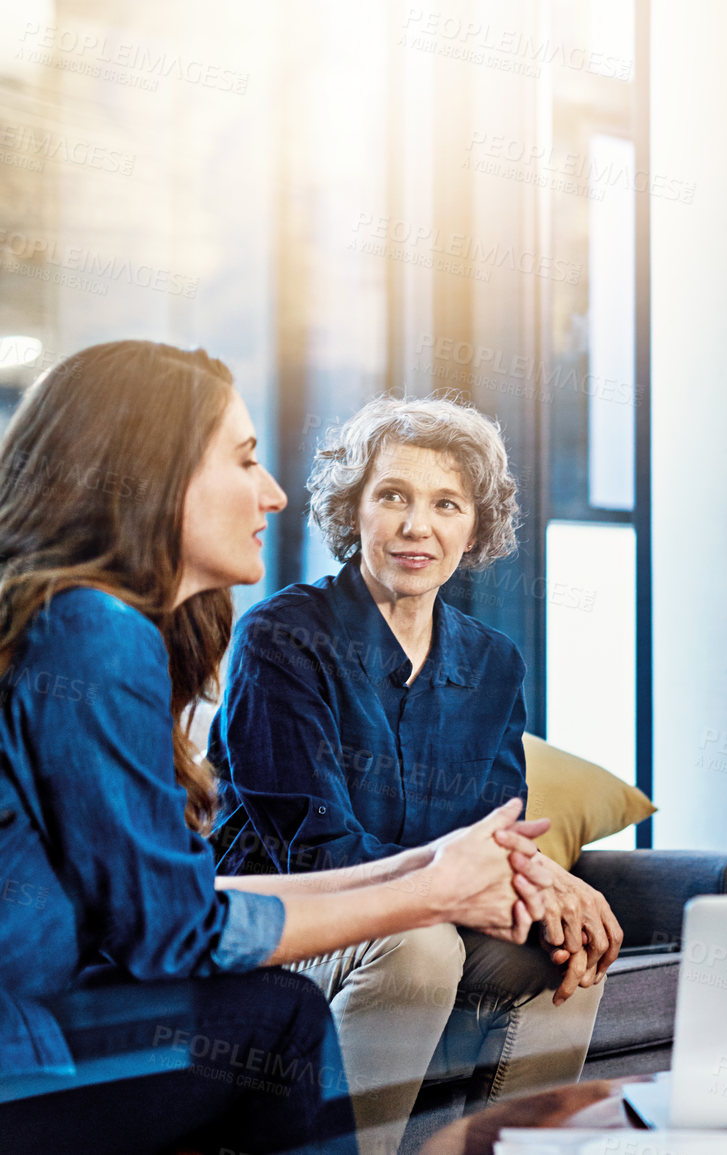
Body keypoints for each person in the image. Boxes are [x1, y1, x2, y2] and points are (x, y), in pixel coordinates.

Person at [0, 341, 553, 1155]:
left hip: (51, 1010)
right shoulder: (96, 632)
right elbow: (173, 929)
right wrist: (429, 892)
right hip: (25, 1047)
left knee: (538, 950)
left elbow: (151, 904)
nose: (273, 492)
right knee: (277, 1017)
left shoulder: (85, 624)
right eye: (245, 459)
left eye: (447, 505)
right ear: (156, 474)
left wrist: (446, 874)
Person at [208, 394, 623, 1154]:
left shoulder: (495, 662)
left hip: (427, 910)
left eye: (446, 503)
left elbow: (498, 837)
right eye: (392, 496)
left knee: (573, 947)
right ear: (354, 509)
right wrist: (463, 882)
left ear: (475, 525)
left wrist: (550, 884)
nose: (415, 526)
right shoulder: (282, 637)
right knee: (421, 945)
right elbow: (317, 851)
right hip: (292, 921)